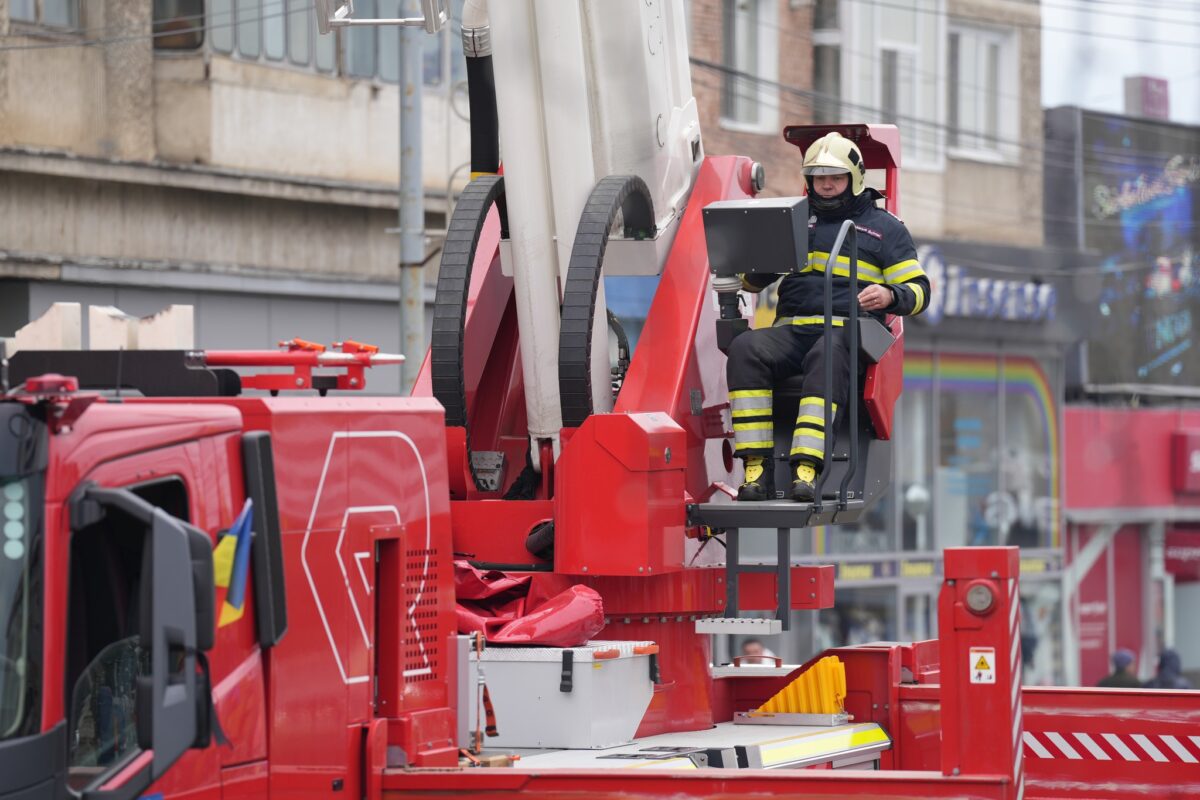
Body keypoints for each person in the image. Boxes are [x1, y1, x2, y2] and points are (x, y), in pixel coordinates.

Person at [728, 132, 931, 502]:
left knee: (828, 352)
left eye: (834, 177)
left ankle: (805, 468)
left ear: (854, 178)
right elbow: (754, 282)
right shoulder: (792, 220)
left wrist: (889, 294)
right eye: (818, 177)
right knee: (745, 348)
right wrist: (754, 263)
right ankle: (757, 467)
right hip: (791, 332)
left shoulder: (887, 229)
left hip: (847, 335)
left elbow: (920, 293)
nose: (826, 184)